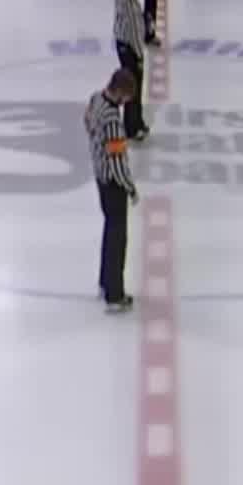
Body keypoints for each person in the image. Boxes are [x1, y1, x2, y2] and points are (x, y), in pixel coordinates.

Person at [86, 69, 139, 313]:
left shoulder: (96, 99)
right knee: (118, 239)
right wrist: (130, 188)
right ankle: (115, 294)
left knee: (110, 233)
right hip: (113, 185)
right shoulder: (113, 122)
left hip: (99, 177)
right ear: (119, 91)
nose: (127, 101)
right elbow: (117, 161)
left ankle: (105, 283)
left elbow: (86, 120)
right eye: (127, 96)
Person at [113, 0, 149, 140]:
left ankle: (137, 121)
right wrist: (139, 54)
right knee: (133, 87)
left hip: (124, 45)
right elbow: (134, 29)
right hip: (129, 49)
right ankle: (132, 127)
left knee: (133, 86)